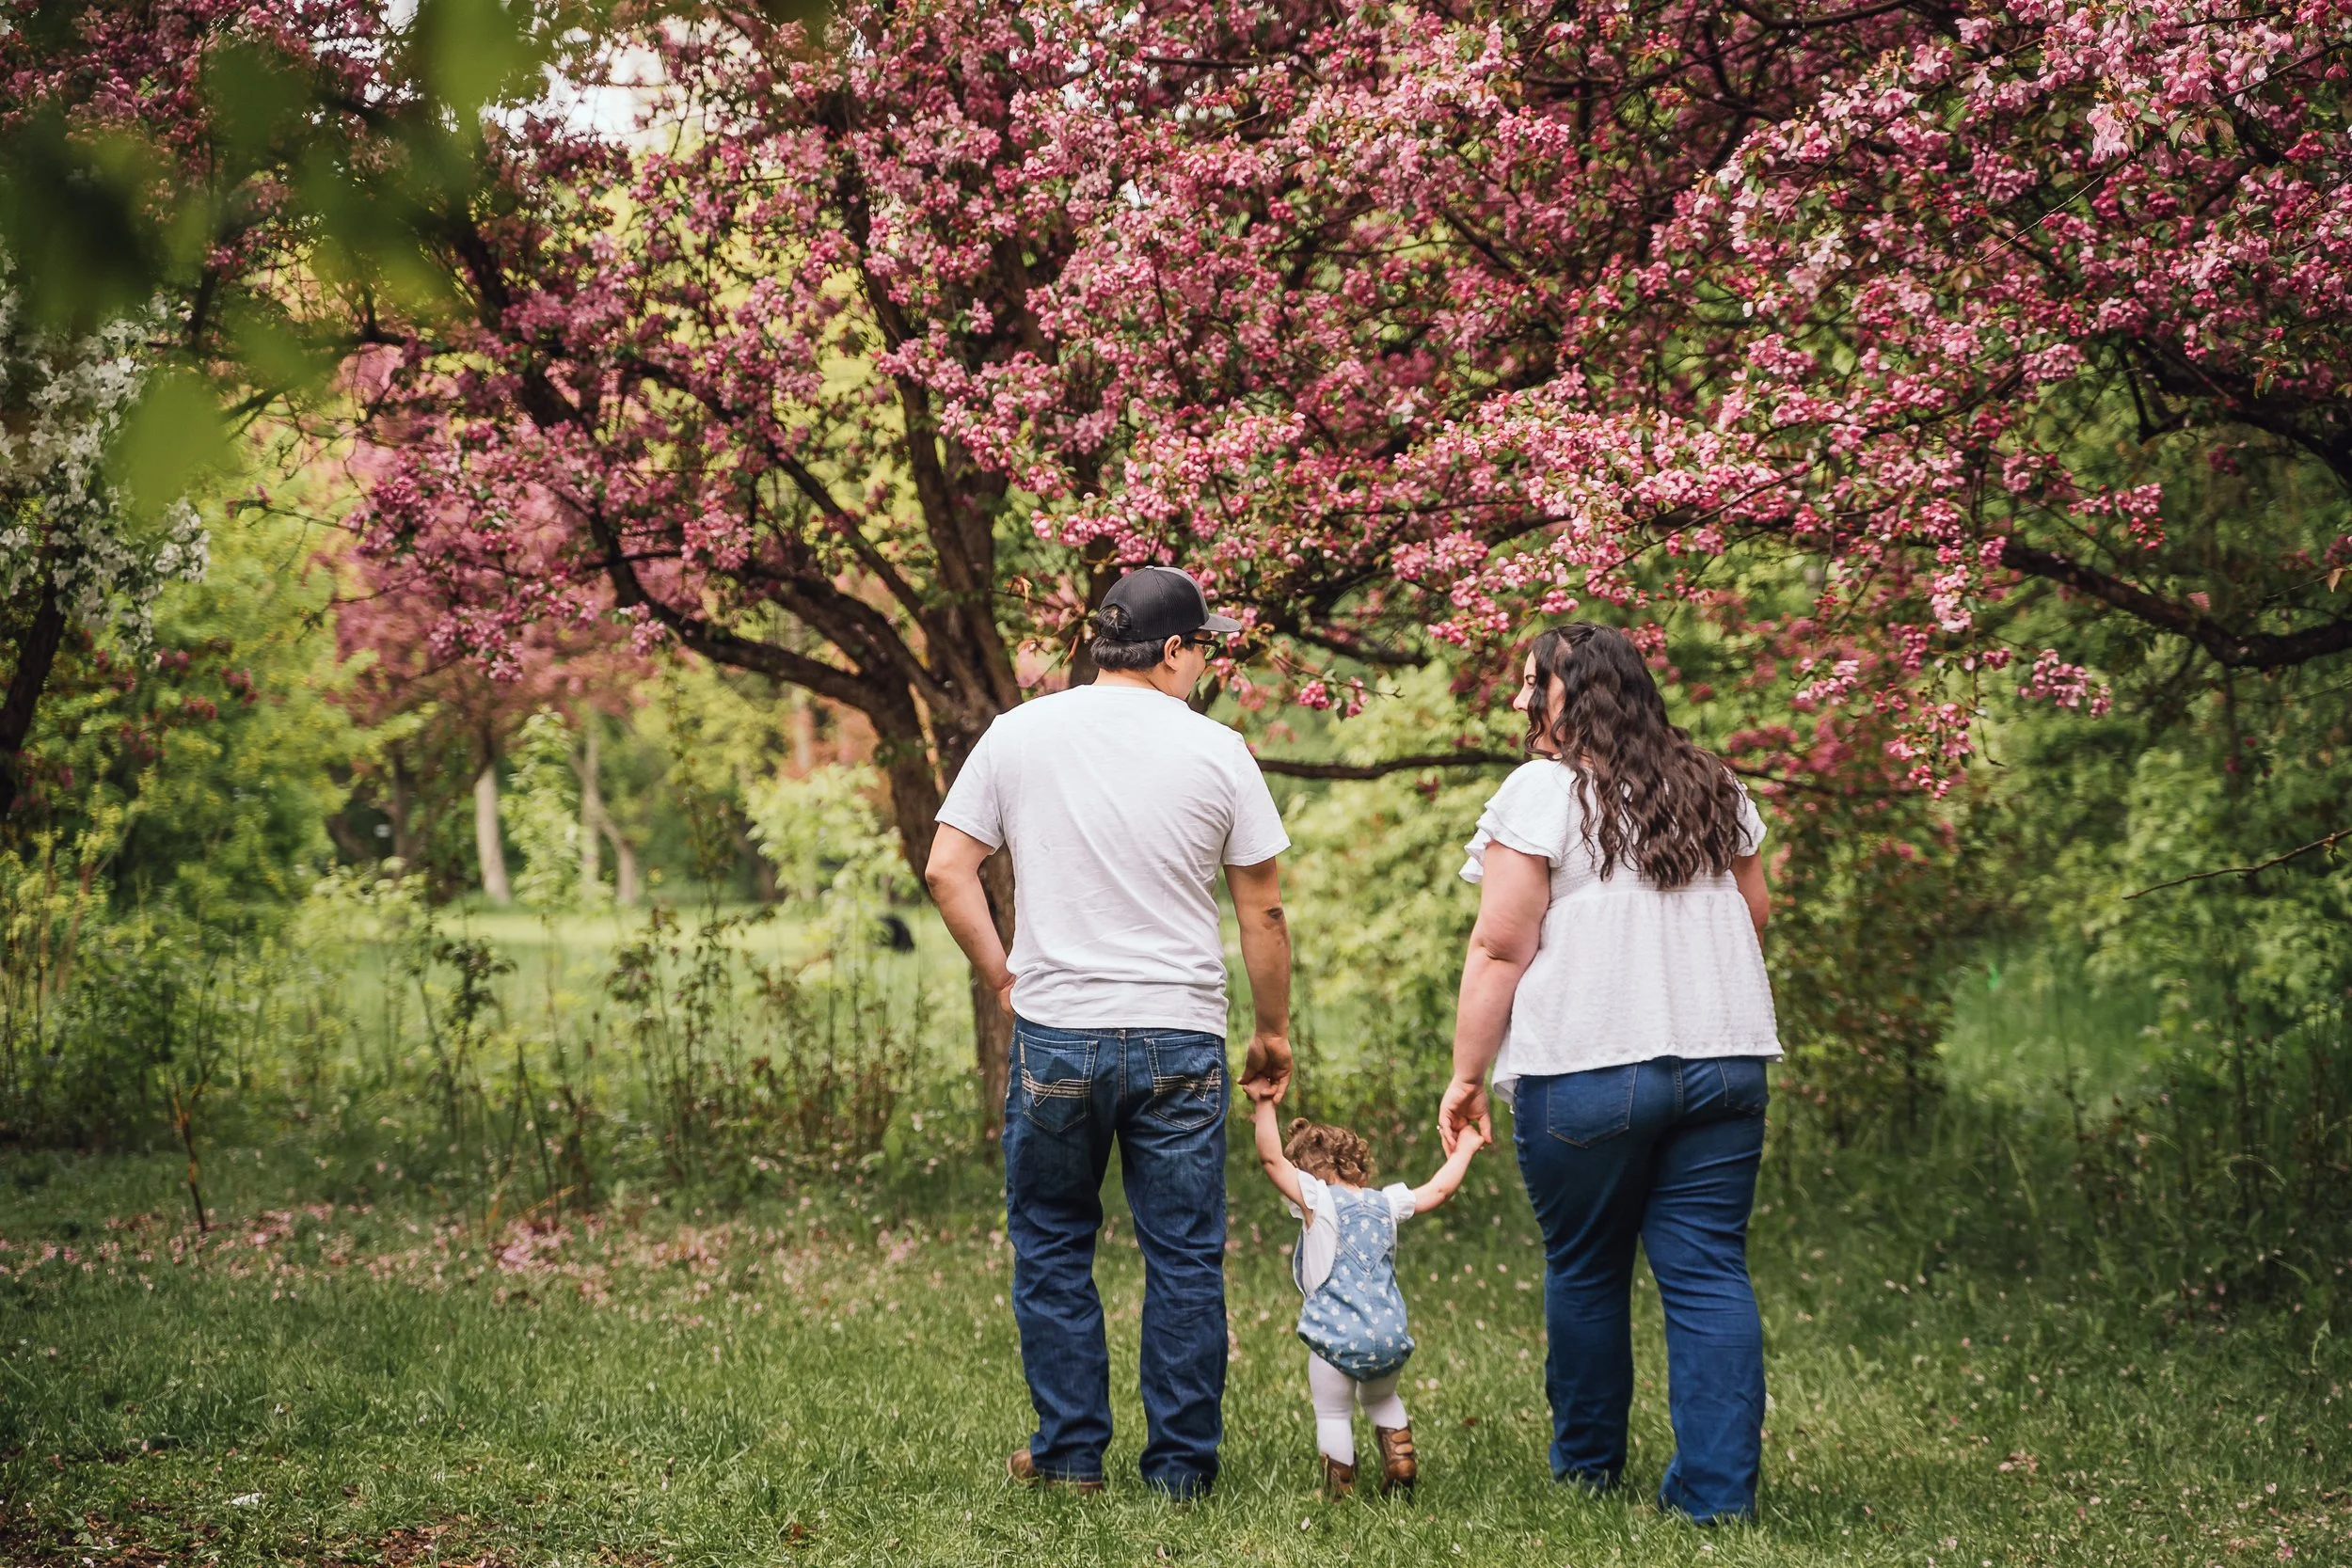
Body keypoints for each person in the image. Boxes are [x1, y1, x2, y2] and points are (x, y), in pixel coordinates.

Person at [925, 564, 1295, 1500]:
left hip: (1059, 1030)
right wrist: (1273, 1031)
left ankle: (1068, 1455)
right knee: (1183, 1252)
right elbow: (1263, 912)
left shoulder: (1019, 733)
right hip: (1179, 1033)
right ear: (1171, 651)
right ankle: (1180, 1470)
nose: (1203, 664)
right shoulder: (1220, 751)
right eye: (1201, 647)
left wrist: (1003, 974)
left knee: (1053, 1241)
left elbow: (946, 868)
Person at [1438, 623, 1780, 1524]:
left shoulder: (1543, 791)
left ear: (1580, 694)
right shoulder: (1715, 782)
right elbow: (1753, 913)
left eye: (1534, 682)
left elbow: (1499, 945)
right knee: (1709, 1270)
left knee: (1587, 1268)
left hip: (1590, 1064)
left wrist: (1467, 1074)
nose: (1520, 698)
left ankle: (1587, 1473)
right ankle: (1717, 1499)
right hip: (1726, 1059)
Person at [1245, 1087, 1482, 1500]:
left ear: (1306, 1175)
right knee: (1382, 1398)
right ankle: (1400, 1460)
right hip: (1388, 1334)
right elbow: (1438, 1190)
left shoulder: (1317, 1199)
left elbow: (1270, 1159)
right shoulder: (1388, 1202)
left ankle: (1339, 1489)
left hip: (1335, 1336)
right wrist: (1464, 1149)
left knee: (1334, 1412)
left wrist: (1264, 1104)